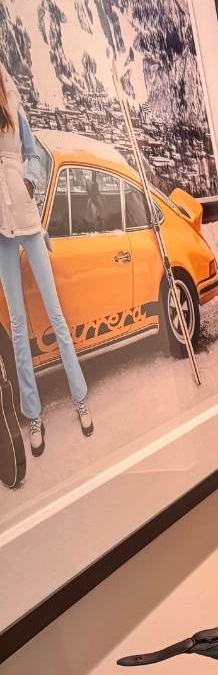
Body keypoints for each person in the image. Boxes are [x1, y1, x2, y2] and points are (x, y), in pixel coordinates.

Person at [0, 65, 93, 457]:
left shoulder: (12, 104)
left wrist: (29, 183)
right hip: (0, 229)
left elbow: (36, 153)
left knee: (55, 314)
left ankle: (80, 398)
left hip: (26, 219)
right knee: (19, 326)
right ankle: (33, 415)